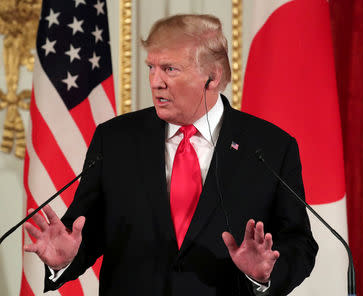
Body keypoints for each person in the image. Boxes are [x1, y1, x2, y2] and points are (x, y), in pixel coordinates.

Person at [24, 14, 318, 296]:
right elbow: (82, 232)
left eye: (170, 69)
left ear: (212, 78)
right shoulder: (115, 140)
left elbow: (299, 243)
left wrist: (265, 273)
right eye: (151, 67)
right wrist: (62, 260)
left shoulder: (270, 147)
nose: (155, 81)